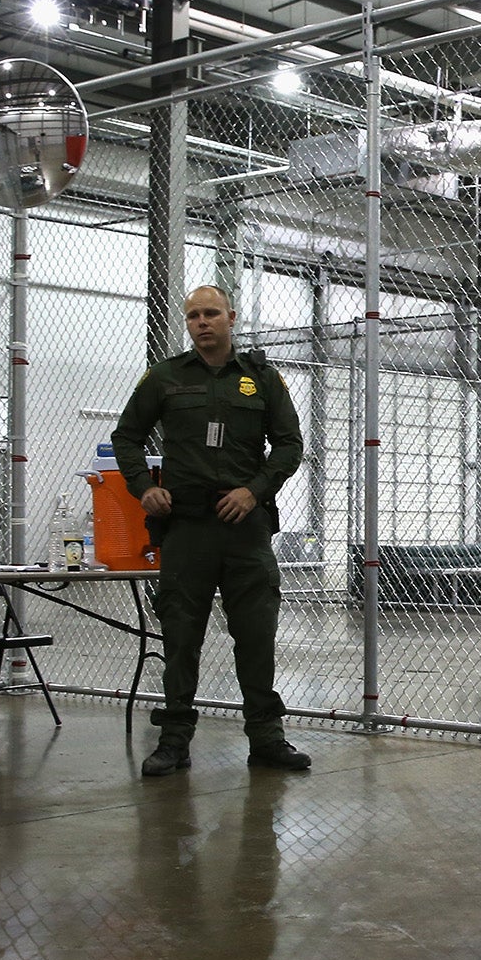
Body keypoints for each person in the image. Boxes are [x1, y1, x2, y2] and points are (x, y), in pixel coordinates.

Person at [110, 284, 313, 777]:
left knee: (256, 636)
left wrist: (254, 490)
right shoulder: (165, 378)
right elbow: (127, 436)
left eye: (211, 314)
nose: (202, 322)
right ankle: (175, 741)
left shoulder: (262, 379)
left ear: (231, 318)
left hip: (245, 529)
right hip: (187, 530)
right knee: (181, 638)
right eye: (194, 316)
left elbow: (290, 445)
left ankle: (266, 739)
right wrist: (143, 488)